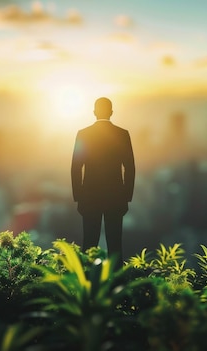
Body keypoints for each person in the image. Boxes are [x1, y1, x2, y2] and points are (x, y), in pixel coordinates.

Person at [71, 97, 135, 265]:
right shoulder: (122, 134)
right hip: (115, 198)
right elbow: (129, 167)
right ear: (111, 112)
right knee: (115, 245)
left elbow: (76, 167)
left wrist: (78, 196)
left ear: (94, 112)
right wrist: (126, 197)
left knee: (88, 244)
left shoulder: (83, 134)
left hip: (89, 198)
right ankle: (117, 284)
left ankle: (85, 283)